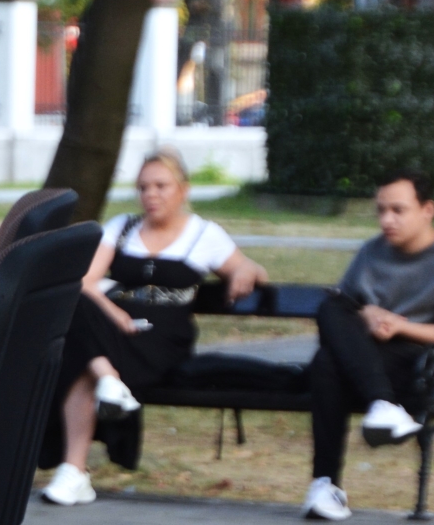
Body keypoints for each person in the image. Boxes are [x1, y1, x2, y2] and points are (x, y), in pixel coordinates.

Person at [39, 150, 267, 506]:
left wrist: (243, 271)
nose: (151, 195)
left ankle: (76, 469)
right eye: (144, 187)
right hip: (115, 327)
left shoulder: (204, 234)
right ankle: (107, 387)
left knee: (79, 360)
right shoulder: (123, 227)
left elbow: (252, 269)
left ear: (183, 190)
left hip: (163, 336)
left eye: (161, 186)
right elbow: (86, 281)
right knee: (75, 312)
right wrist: (115, 315)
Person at [302, 169, 434, 521]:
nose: (387, 220)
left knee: (327, 364)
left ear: (427, 210)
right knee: (330, 313)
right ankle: (379, 409)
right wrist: (368, 315)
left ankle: (326, 482)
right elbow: (344, 311)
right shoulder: (371, 252)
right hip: (367, 357)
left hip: (420, 364)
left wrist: (402, 325)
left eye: (398, 210)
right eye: (381, 210)